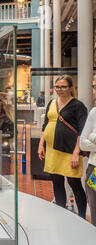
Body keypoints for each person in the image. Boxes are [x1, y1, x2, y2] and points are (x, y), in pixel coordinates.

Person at [38, 75, 88, 219]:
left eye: (63, 87)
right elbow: (45, 125)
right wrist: (41, 145)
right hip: (52, 149)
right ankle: (61, 214)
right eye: (57, 87)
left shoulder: (78, 106)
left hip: (69, 150)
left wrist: (76, 153)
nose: (60, 90)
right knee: (56, 181)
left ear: (71, 88)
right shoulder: (52, 103)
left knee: (74, 182)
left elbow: (82, 130)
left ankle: (82, 217)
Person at [80, 108, 96, 226]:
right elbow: (82, 144)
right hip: (94, 169)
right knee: (94, 209)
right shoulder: (94, 112)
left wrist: (93, 137)